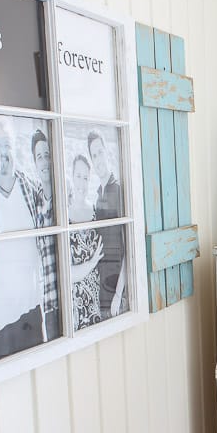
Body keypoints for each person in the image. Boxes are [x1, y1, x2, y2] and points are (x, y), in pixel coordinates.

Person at [0, 120, 43, 363]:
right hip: (2, 317)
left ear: (15, 148)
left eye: (6, 144)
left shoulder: (30, 189)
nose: (3, 152)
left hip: (32, 308)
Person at [87, 130, 126, 318]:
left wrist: (119, 294)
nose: (98, 159)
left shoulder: (118, 189)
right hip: (101, 289)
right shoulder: (97, 196)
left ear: (107, 151)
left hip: (118, 291)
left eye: (100, 152)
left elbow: (129, 248)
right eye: (94, 155)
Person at [68, 154, 103, 330]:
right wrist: (92, 262)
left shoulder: (95, 212)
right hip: (74, 300)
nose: (82, 183)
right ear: (72, 176)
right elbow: (68, 273)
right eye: (78, 176)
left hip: (95, 296)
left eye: (86, 178)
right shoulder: (64, 214)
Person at [31, 129, 60, 341]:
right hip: (49, 301)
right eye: (39, 156)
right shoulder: (35, 203)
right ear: (35, 163)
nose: (44, 161)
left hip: (71, 295)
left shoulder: (66, 197)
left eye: (47, 155)